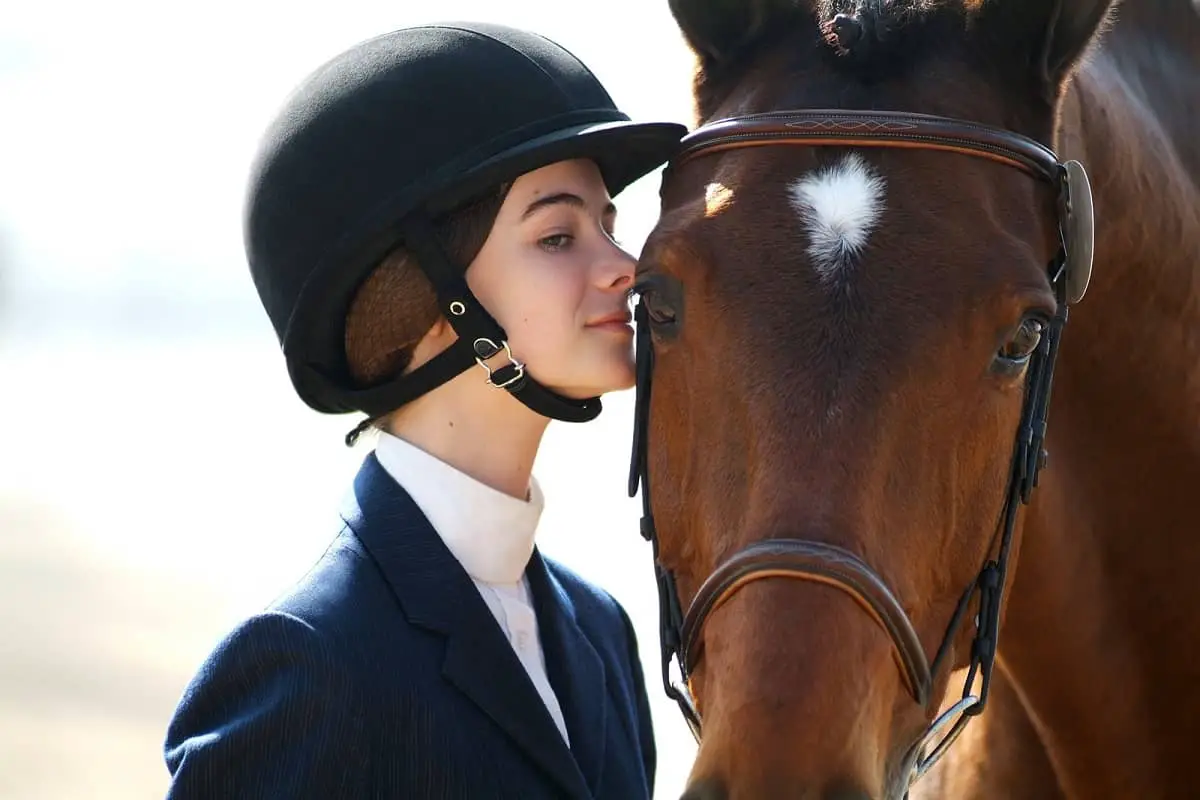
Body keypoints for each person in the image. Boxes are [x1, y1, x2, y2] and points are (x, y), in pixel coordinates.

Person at [161, 21, 686, 800]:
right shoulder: (303, 663)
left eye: (608, 224)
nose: (625, 266)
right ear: (426, 304)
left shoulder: (601, 631)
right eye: (557, 236)